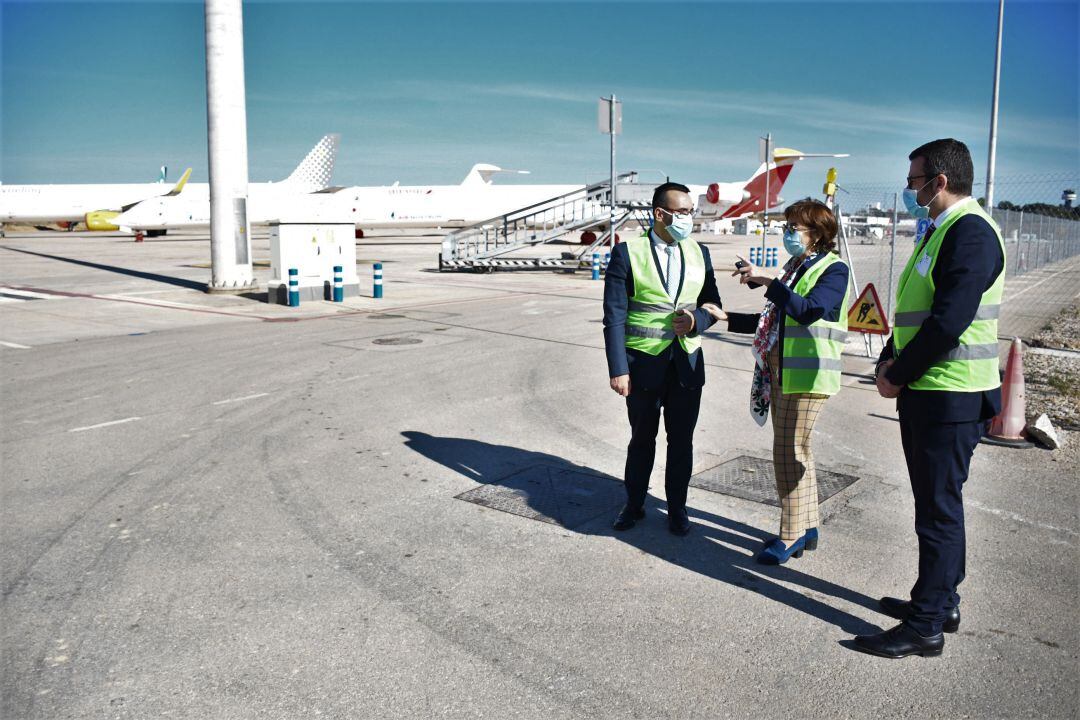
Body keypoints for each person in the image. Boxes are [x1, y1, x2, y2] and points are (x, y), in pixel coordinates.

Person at [852, 138, 1005, 659]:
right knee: (936, 505)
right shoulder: (940, 232)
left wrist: (899, 375)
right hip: (929, 391)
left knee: (938, 512)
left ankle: (926, 626)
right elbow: (915, 311)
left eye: (915, 181)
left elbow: (948, 323)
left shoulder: (971, 234)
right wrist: (888, 357)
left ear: (940, 182)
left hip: (949, 395)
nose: (910, 189)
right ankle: (940, 601)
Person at [702, 199, 850, 565]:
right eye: (786, 227)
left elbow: (809, 311)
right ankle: (808, 525)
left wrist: (770, 281)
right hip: (783, 372)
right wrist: (726, 317)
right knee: (797, 450)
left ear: (816, 234)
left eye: (793, 228)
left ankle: (791, 533)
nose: (787, 234)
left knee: (788, 454)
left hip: (808, 375)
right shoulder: (797, 267)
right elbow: (772, 320)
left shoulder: (834, 270)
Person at [602, 182, 722, 535]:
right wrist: (618, 368)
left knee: (681, 441)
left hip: (687, 364)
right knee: (642, 438)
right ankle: (634, 503)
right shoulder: (628, 253)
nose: (688, 218)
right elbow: (614, 315)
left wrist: (697, 321)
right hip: (643, 365)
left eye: (690, 212)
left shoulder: (701, 252)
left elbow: (713, 305)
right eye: (682, 212)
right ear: (660, 213)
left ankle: (677, 509)